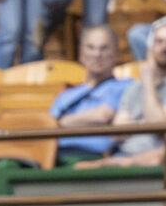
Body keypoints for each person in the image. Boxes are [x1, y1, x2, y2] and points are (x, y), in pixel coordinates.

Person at [79, 16, 166, 167]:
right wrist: (144, 121)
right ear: (150, 46)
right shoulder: (135, 87)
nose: (164, 48)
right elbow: (117, 133)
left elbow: (159, 126)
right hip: (121, 153)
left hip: (155, 160)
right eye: (159, 41)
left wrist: (148, 82)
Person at [49, 26, 132, 159]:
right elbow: (49, 124)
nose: (97, 55)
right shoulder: (65, 96)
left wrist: (62, 121)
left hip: (95, 156)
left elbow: (103, 115)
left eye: (104, 48)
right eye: (91, 47)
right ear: (81, 53)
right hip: (55, 154)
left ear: (116, 53)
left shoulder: (127, 86)